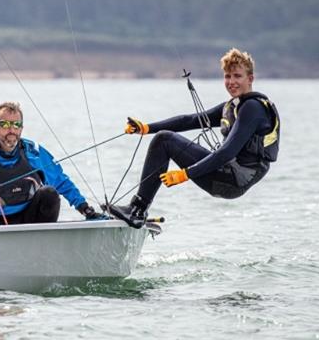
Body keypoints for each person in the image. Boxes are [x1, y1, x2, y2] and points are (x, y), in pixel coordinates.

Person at [108, 48, 280, 228]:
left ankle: (137, 210)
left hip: (233, 179)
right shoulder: (233, 106)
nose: (231, 82)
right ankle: (137, 210)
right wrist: (146, 128)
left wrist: (186, 174)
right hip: (227, 176)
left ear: (250, 79)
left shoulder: (253, 108)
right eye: (227, 76)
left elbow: (227, 152)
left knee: (164, 140)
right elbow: (190, 120)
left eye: (237, 76)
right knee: (162, 138)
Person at [0, 101, 107, 225]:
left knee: (49, 193)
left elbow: (62, 182)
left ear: (21, 128)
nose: (11, 130)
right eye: (5, 124)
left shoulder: (34, 153)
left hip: (33, 223)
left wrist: (86, 209)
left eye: (16, 125)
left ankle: (44, 246)